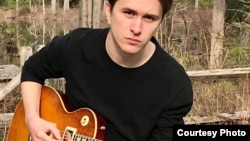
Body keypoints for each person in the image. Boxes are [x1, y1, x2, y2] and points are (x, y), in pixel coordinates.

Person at [20, 0, 193, 140]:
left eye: (149, 18)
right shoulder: (75, 46)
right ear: (109, 11)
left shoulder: (174, 84)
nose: (137, 28)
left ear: (160, 21)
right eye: (129, 13)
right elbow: (32, 70)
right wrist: (32, 120)